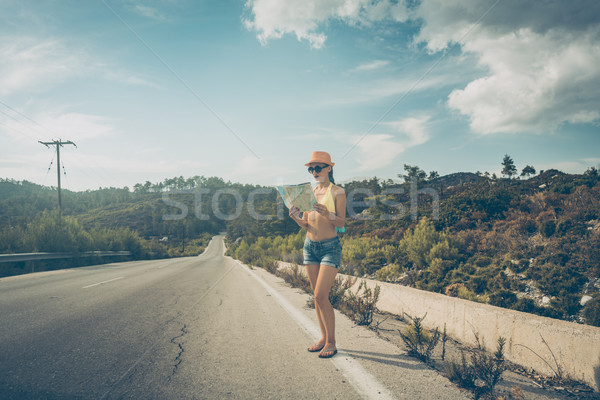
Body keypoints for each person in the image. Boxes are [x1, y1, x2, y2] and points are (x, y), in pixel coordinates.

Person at [289, 151, 346, 358]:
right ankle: (323, 338)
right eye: (311, 168)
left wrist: (325, 213)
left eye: (318, 167)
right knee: (316, 297)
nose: (314, 171)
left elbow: (341, 222)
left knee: (322, 295)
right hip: (309, 247)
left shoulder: (338, 192)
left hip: (330, 247)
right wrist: (296, 217)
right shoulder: (308, 193)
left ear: (329, 168)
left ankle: (331, 342)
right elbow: (306, 224)